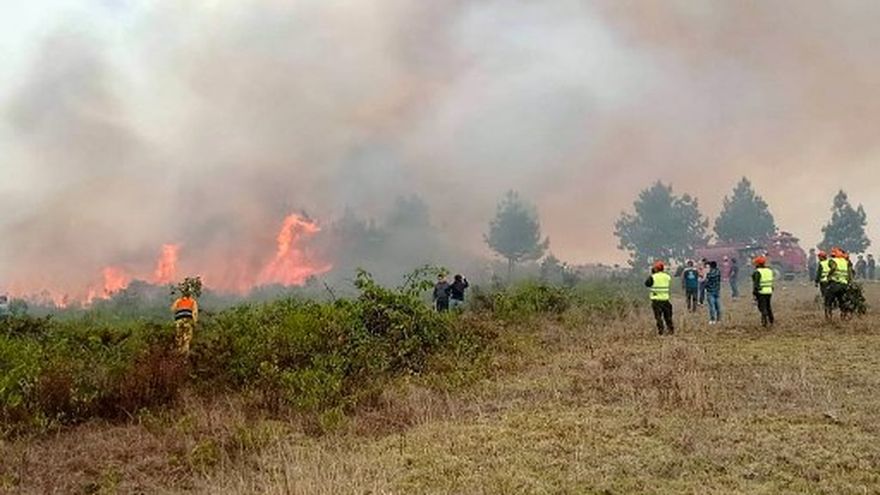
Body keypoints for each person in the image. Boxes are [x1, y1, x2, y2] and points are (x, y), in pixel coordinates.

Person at [645, 261, 674, 335]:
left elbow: (647, 284)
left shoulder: (653, 277)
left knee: (658, 317)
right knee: (668, 317)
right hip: (665, 300)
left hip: (656, 300)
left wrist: (652, 274)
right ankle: (671, 330)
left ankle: (661, 331)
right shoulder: (667, 276)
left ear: (656, 269)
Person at [826, 247, 852, 320]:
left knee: (829, 300)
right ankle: (844, 314)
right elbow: (849, 273)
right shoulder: (845, 262)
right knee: (841, 300)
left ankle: (829, 315)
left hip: (835, 283)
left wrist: (829, 275)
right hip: (844, 284)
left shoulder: (832, 261)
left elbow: (833, 268)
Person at [171, 290, 199, 354]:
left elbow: (173, 309)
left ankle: (179, 351)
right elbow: (195, 313)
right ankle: (185, 352)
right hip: (188, 320)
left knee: (179, 336)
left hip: (179, 320)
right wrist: (195, 322)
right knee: (187, 338)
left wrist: (180, 309)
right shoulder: (192, 301)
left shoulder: (178, 301)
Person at [752, 256, 775, 328]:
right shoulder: (769, 271)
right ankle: (771, 319)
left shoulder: (757, 272)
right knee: (768, 305)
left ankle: (764, 320)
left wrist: (754, 292)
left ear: (758, 264)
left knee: (762, 306)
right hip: (769, 291)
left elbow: (756, 283)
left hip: (761, 292)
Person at [815, 250, 832, 318]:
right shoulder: (829, 262)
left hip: (823, 282)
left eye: (819, 257)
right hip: (830, 281)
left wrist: (816, 282)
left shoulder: (821, 264)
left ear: (822, 257)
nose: (819, 258)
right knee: (830, 296)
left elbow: (818, 274)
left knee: (825, 297)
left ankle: (827, 311)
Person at [705, 261, 722, 325]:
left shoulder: (709, 273)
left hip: (710, 291)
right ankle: (719, 320)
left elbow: (706, 282)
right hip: (717, 291)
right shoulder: (718, 272)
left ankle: (712, 320)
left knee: (712, 306)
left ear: (711, 266)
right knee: (718, 306)